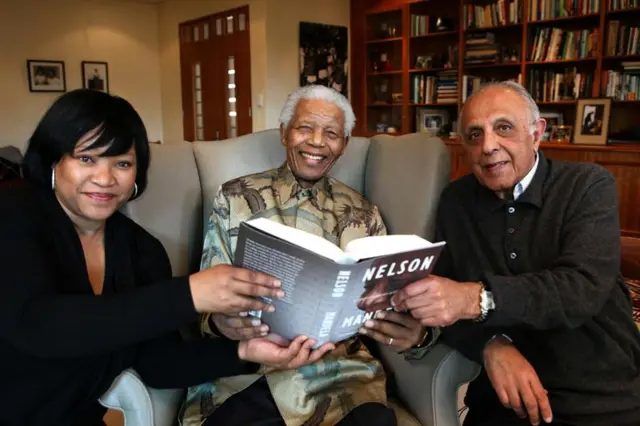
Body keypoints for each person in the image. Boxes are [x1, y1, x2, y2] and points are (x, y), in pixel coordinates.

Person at [0, 89, 334, 426]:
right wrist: (189, 294)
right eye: (86, 158)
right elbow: (36, 324)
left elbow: (158, 363)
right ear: (54, 159)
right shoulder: (14, 213)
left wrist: (246, 352)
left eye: (122, 163)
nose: (105, 178)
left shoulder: (140, 249)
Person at [181, 85, 433, 426]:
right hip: (252, 374)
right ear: (284, 133)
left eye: (331, 133)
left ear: (343, 145)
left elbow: (383, 304)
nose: (317, 142)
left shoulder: (364, 212)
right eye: (305, 128)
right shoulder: (236, 197)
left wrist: (409, 329)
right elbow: (207, 301)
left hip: (342, 380)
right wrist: (221, 324)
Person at [391, 81, 640, 426]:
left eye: (503, 128)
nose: (488, 146)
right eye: (474, 135)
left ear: (536, 133)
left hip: (597, 392)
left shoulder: (587, 184)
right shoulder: (456, 201)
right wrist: (492, 345)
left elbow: (581, 288)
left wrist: (476, 299)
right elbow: (446, 302)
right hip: (502, 398)